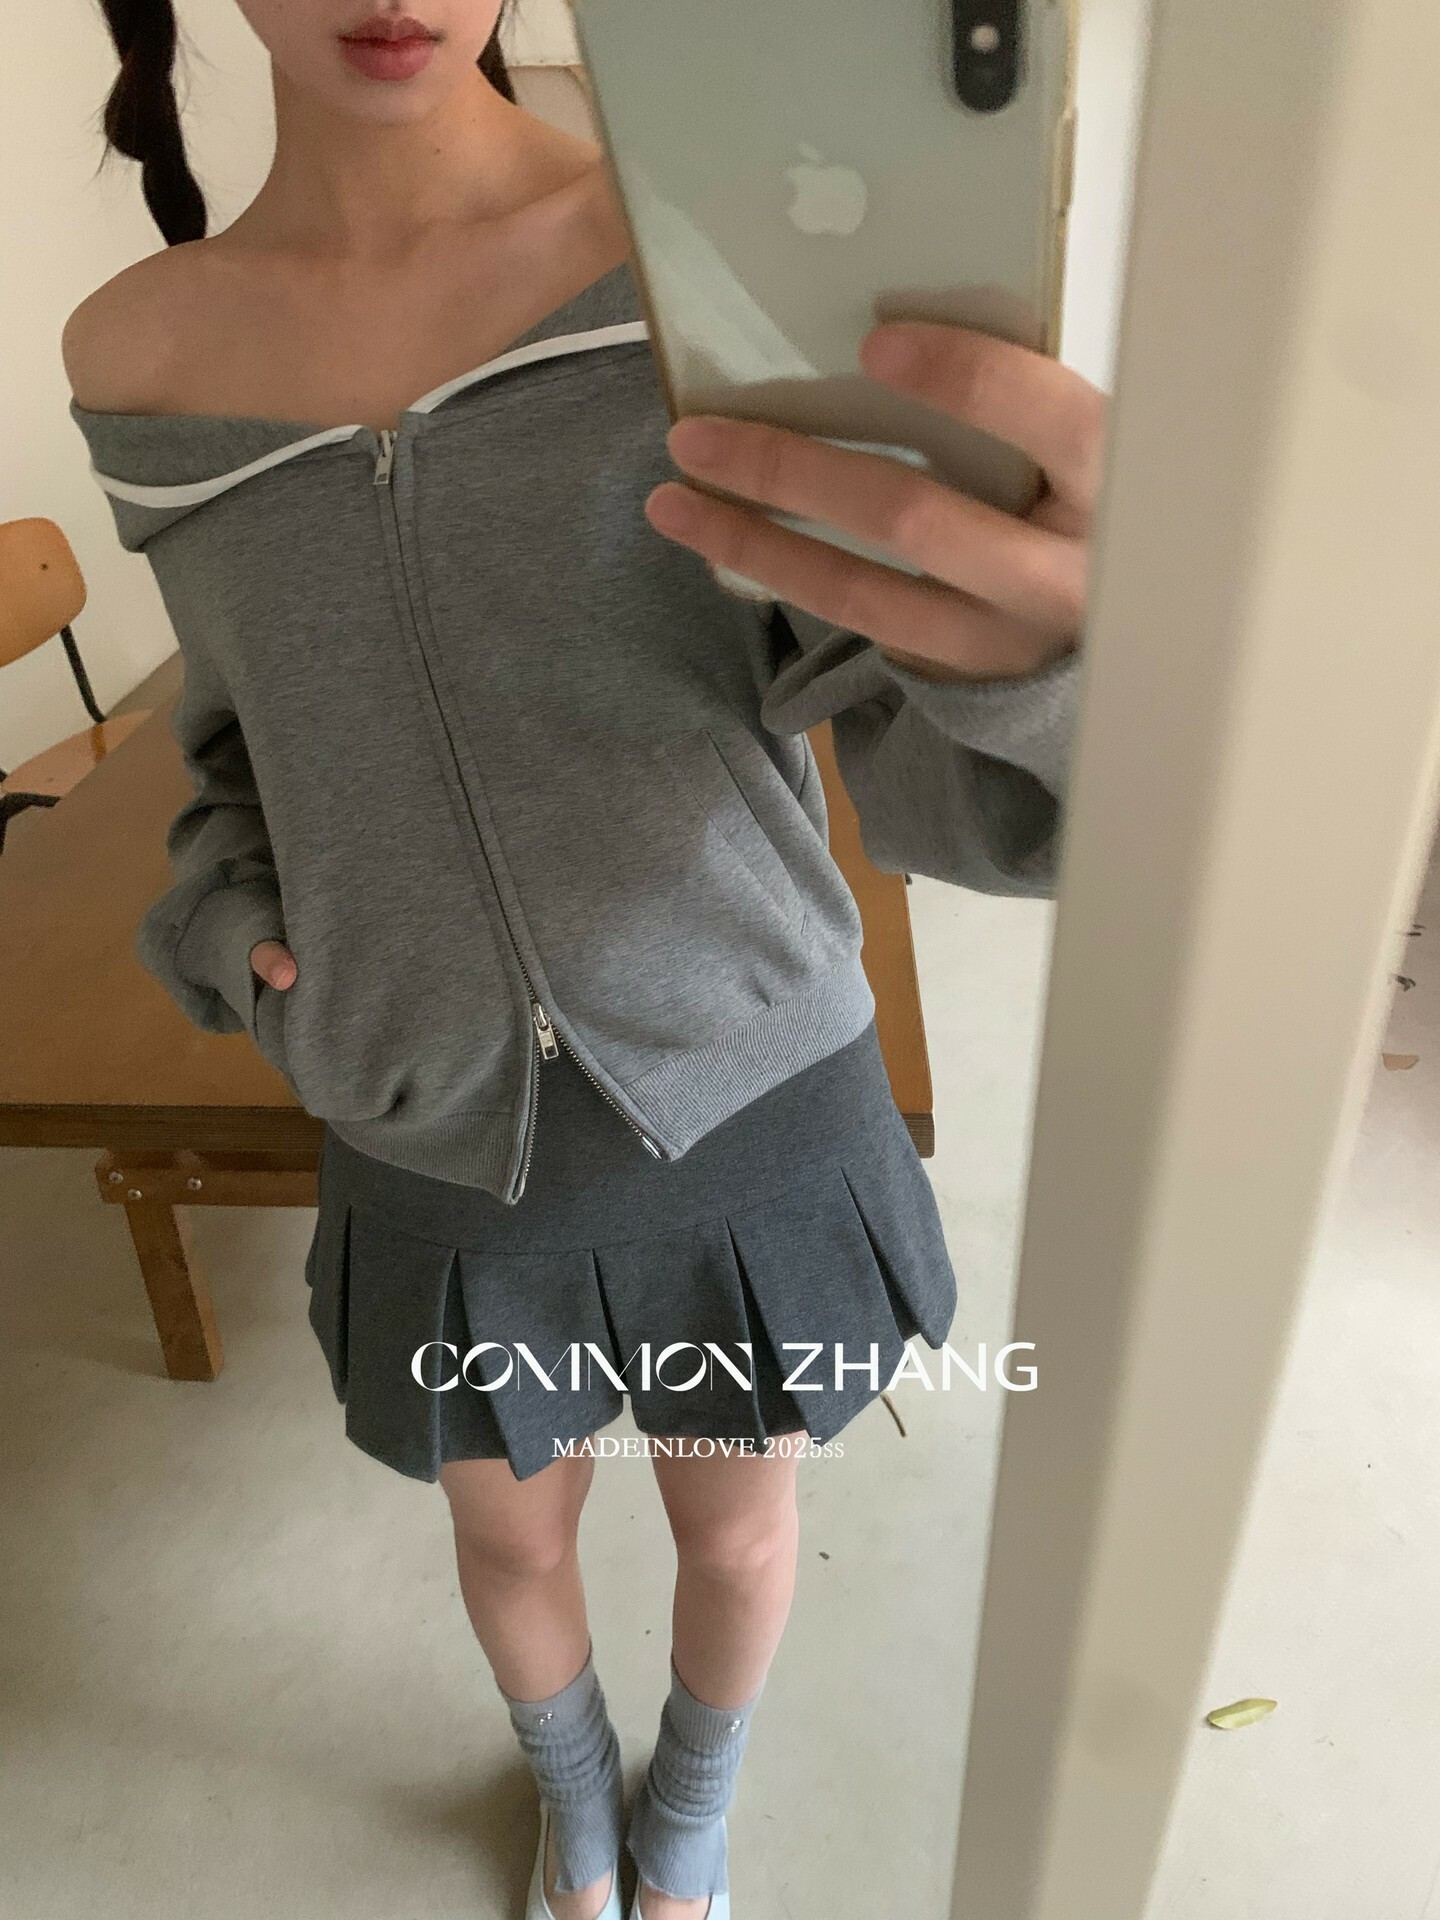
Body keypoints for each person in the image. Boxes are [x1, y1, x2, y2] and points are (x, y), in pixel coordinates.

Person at [63, 4, 1105, 1916]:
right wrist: (236, 928)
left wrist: (1067, 670)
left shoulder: (701, 249)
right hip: (437, 1137)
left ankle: (690, 1813)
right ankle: (574, 1798)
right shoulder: (136, 353)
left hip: (749, 1098)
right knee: (514, 1543)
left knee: (739, 1527)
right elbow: (240, 746)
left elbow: (942, 762)